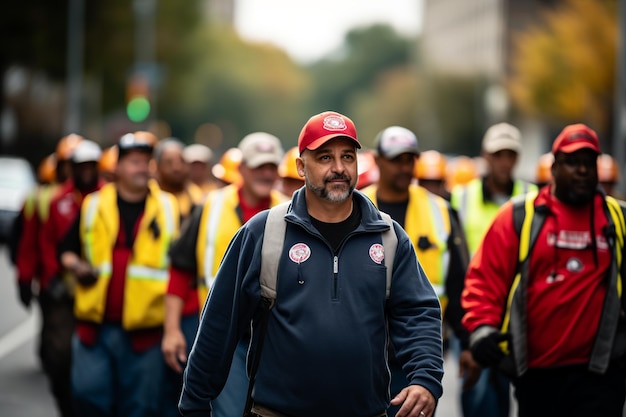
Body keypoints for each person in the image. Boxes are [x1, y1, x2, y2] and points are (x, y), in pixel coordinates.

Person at [179, 110, 444, 417]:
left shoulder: (388, 237)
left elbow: (418, 312)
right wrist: (194, 404)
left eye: (347, 157)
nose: (339, 168)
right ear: (301, 167)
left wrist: (426, 379)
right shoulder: (264, 232)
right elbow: (219, 324)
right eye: (324, 158)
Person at [462, 123, 626, 417]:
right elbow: (485, 280)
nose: (582, 170)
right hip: (536, 375)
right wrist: (482, 328)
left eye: (589, 163)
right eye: (572, 162)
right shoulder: (520, 216)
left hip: (602, 375)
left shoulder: (617, 218)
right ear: (554, 167)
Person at [164, 132, 286, 417]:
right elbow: (181, 270)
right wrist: (171, 330)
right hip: (226, 336)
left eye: (271, 166)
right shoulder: (211, 206)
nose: (266, 173)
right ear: (241, 168)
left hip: (276, 340)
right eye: (258, 166)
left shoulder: (292, 209)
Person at [59, 132, 180, 417]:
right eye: (134, 161)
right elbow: (66, 251)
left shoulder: (168, 207)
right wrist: (77, 266)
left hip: (146, 332)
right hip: (95, 329)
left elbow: (181, 265)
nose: (142, 168)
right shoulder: (93, 204)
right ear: (117, 168)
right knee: (88, 397)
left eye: (146, 162)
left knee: (141, 407)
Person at [360, 126, 474, 416]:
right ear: (378, 161)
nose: (403, 167)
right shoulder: (354, 207)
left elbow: (460, 281)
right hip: (362, 354)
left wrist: (468, 341)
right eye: (396, 159)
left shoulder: (441, 212)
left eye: (409, 159)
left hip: (416, 354)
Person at [450, 122, 537, 417]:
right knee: (478, 397)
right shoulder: (460, 198)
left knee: (526, 397)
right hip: (476, 309)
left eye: (509, 154)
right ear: (485, 156)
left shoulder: (533, 197)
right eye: (497, 154)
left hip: (521, 315)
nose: (504, 161)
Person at [38, 139, 105, 417]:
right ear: (71, 168)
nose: (86, 171)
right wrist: (51, 280)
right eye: (81, 166)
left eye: (92, 165)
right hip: (64, 293)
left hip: (98, 293)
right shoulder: (58, 202)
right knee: (60, 357)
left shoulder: (107, 200)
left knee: (96, 361)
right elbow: (49, 243)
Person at [154, 138, 204, 220]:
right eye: (169, 162)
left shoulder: (198, 199)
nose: (177, 167)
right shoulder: (148, 198)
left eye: (182, 161)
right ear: (157, 167)